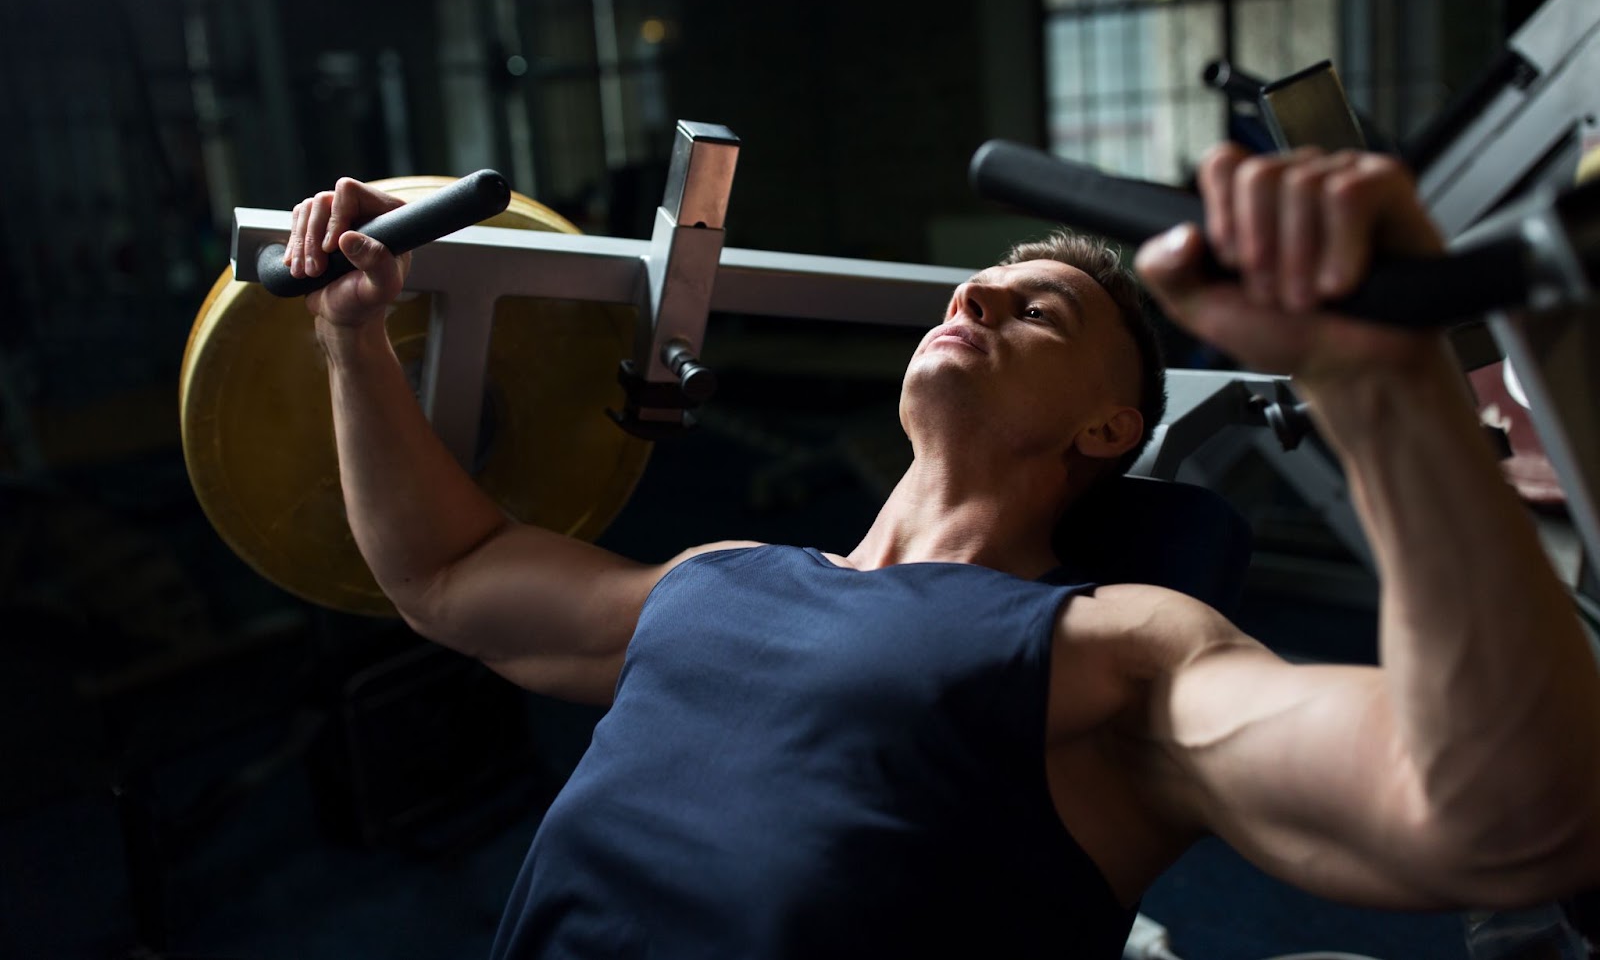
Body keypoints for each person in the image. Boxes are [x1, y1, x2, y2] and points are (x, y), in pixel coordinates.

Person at [284, 145, 1600, 958]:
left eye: (1039, 308)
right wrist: (352, 334)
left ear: (1112, 424)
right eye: (975, 289)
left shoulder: (1114, 650)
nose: (973, 296)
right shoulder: (717, 576)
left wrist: (1381, 388)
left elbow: (1505, 816)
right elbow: (446, 578)